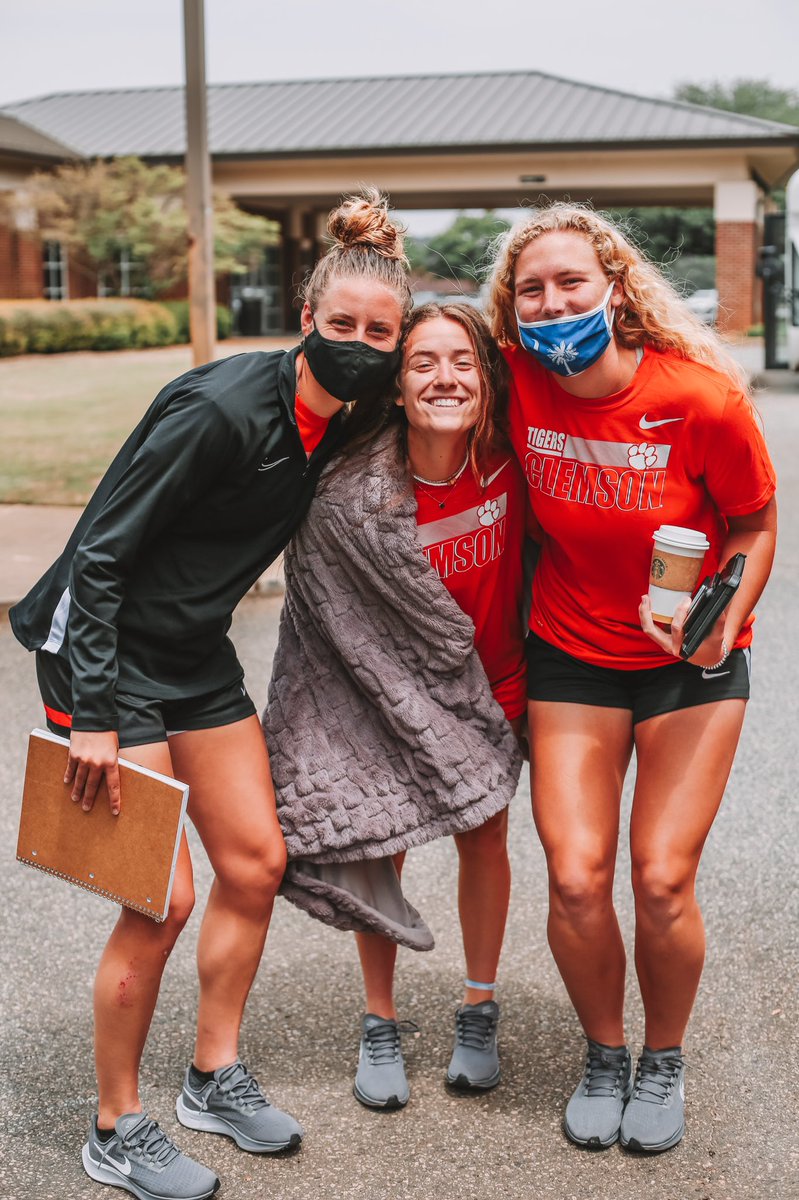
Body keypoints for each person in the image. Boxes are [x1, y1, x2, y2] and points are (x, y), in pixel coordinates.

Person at [10, 188, 412, 1200]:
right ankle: (116, 1126)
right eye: (343, 325)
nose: (361, 344)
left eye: (381, 331)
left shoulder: (350, 417)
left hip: (192, 656)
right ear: (306, 320)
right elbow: (98, 556)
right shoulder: (222, 408)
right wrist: (93, 716)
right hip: (102, 656)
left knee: (255, 862)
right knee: (160, 899)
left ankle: (211, 1076)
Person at [486, 202, 777, 1154]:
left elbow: (752, 524)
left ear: (614, 287)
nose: (551, 302)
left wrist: (720, 622)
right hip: (570, 652)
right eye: (531, 289)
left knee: (660, 877)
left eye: (570, 282)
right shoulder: (516, 381)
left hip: (685, 664)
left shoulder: (699, 399)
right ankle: (603, 1052)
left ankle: (663, 1056)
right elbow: (418, 382)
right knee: (575, 878)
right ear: (512, 307)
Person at [262, 303, 526, 1111]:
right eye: (422, 363)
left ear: (485, 378)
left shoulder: (514, 462)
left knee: (484, 839)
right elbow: (327, 614)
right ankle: (380, 1020)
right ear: (399, 386)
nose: (445, 378)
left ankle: (477, 1008)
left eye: (461, 362)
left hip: (492, 689)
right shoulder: (353, 491)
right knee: (383, 845)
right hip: (392, 697)